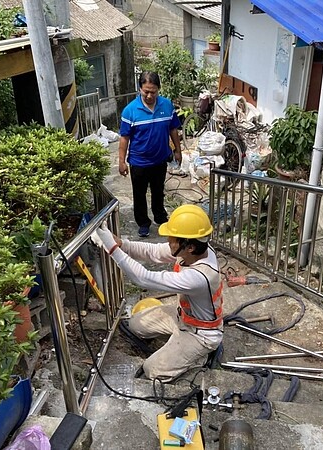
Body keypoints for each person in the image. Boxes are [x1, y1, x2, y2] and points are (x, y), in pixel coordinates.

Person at [91, 204, 223, 383]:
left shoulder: (199, 277)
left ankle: (198, 357)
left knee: (152, 370)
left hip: (200, 335)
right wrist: (121, 244)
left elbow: (143, 278)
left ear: (189, 246)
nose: (168, 240)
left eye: (172, 237)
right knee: (135, 325)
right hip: (182, 318)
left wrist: (112, 249)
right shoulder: (196, 250)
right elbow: (153, 252)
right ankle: (177, 345)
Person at [119, 71, 182, 238]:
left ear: (159, 89)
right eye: (145, 91)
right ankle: (143, 223)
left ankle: (160, 217)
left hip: (160, 159)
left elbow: (173, 129)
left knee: (158, 190)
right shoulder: (130, 111)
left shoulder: (167, 106)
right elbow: (124, 138)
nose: (149, 95)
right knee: (139, 194)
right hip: (139, 162)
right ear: (139, 88)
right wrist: (121, 161)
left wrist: (178, 150)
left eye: (153, 91)